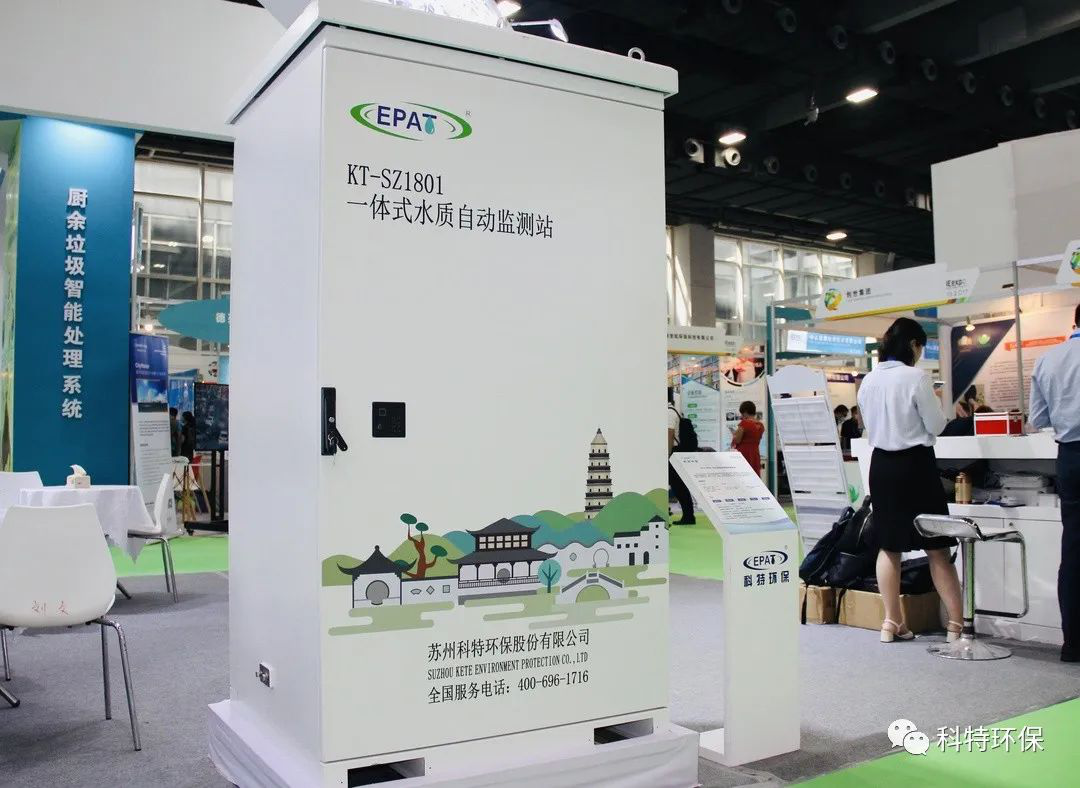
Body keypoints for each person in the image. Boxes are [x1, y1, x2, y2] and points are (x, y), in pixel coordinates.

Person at [857, 317, 963, 643]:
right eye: (921, 348)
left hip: (882, 467)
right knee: (936, 547)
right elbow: (936, 425)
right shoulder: (916, 377)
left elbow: (868, 424)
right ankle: (956, 626)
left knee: (889, 546)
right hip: (916, 466)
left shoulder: (869, 380)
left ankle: (892, 623)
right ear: (914, 345)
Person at [1028, 304, 1080, 662]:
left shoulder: (1049, 359)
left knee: (1074, 550)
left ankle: (1073, 643)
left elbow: (1038, 417)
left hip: (1070, 458)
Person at [667, 388, 696, 525]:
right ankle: (688, 515)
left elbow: (670, 434)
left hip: (674, 452)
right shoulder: (673, 411)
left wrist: (667, 455)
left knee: (678, 485)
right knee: (677, 484)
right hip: (675, 451)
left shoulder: (669, 412)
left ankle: (688, 516)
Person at [730, 401, 765, 475]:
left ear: (745, 412)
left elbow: (738, 440)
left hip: (744, 454)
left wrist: (734, 434)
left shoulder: (744, 423)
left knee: (743, 476)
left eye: (742, 413)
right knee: (754, 475)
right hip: (755, 454)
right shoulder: (760, 425)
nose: (742, 416)